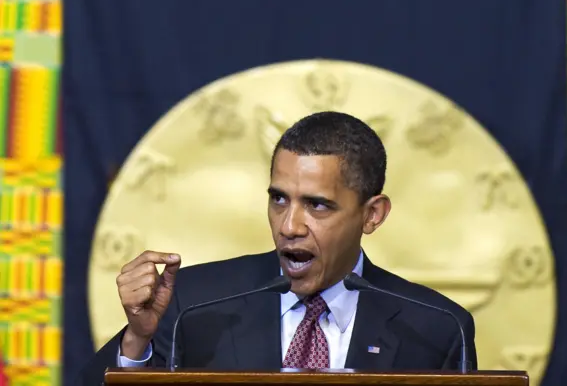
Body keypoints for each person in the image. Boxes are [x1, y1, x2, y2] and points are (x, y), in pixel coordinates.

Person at [77, 111, 477, 384]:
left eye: (317, 205)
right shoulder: (194, 305)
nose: (289, 226)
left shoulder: (437, 328)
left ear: (372, 214)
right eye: (279, 199)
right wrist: (137, 341)